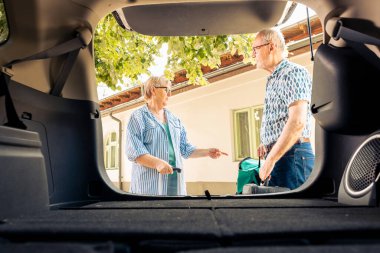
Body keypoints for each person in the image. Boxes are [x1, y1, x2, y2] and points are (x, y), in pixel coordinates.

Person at [126, 76, 228, 196]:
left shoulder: (175, 120)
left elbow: (185, 149)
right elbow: (134, 151)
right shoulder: (138, 117)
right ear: (153, 90)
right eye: (167, 90)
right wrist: (158, 163)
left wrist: (207, 152)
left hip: (176, 186)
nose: (170, 95)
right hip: (148, 188)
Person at [254, 28, 315, 190]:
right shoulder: (273, 79)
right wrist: (267, 143)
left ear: (271, 47)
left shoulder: (293, 73)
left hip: (292, 156)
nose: (254, 54)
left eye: (256, 48)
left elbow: (297, 122)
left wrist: (271, 159)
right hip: (282, 155)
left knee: (295, 214)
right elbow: (282, 119)